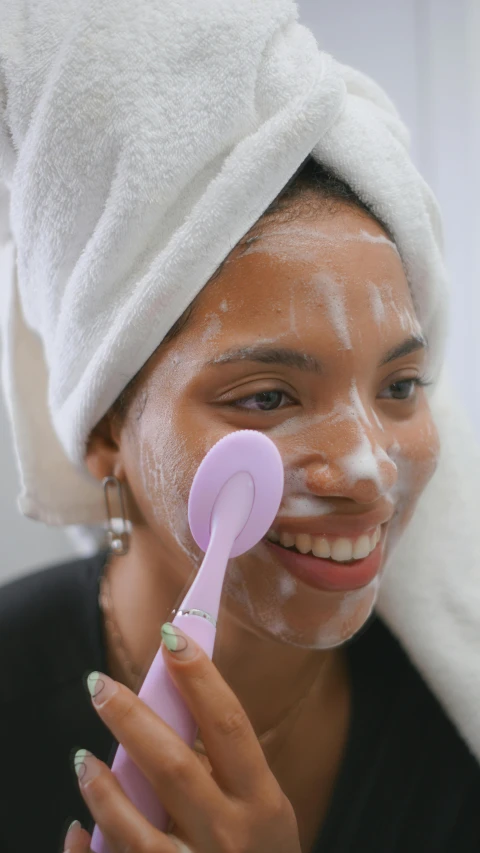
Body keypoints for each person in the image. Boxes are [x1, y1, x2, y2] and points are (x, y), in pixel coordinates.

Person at [1, 2, 479, 853]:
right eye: (267, 397)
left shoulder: (454, 735)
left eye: (402, 385)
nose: (369, 467)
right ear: (108, 426)